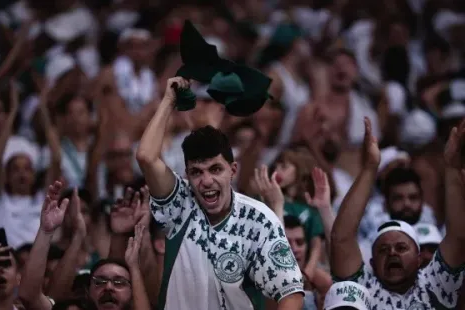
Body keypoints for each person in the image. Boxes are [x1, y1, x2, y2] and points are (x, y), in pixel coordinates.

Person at [136, 77, 304, 310]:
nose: (206, 181)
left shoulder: (259, 219)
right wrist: (168, 100)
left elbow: (290, 293)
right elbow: (146, 156)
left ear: (232, 170)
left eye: (215, 169)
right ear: (187, 175)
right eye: (196, 172)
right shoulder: (180, 203)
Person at [330, 117, 465, 309]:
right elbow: (341, 239)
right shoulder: (363, 290)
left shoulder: (434, 285)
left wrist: (452, 167)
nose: (392, 252)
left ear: (420, 259)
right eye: (383, 250)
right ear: (372, 263)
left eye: (401, 248)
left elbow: (459, 237)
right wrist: (370, 168)